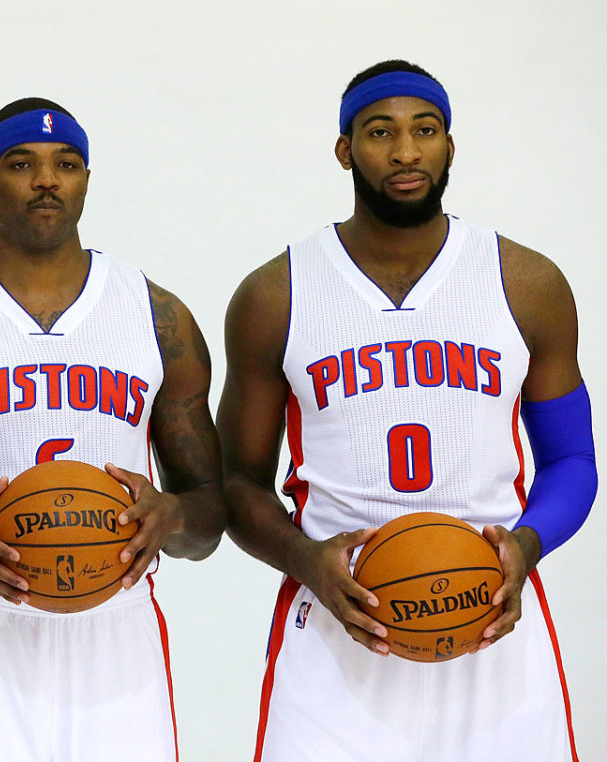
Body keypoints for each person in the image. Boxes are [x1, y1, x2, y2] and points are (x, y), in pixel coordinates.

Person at [219, 60, 596, 761]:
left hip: (490, 622)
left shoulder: (528, 284)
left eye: (425, 130)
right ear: (344, 149)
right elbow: (236, 482)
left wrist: (526, 547)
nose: (404, 152)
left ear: (450, 144)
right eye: (379, 132)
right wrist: (307, 561)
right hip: (338, 628)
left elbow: (573, 460)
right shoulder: (276, 295)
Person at [0, 98, 226, 761]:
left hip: (119, 625)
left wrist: (169, 516)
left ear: (87, 178)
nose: (47, 180)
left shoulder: (156, 316)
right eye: (22, 164)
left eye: (66, 164)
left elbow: (210, 515)